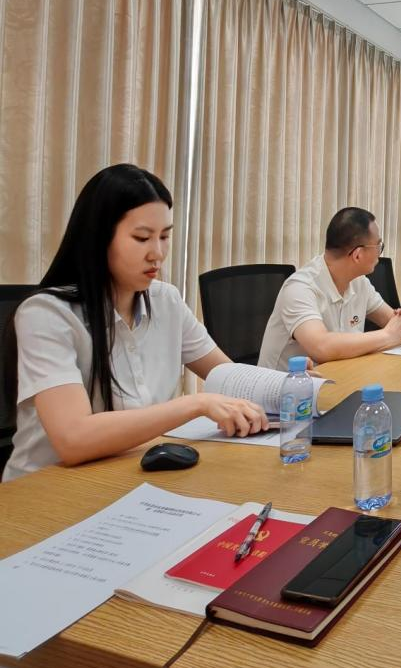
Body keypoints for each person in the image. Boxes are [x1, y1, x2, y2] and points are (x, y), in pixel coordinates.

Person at [1, 165, 267, 481]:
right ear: (99, 239)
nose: (158, 253)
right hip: (45, 489)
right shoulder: (47, 315)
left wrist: (294, 384)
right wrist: (195, 404)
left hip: (130, 476)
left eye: (164, 236)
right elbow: (73, 439)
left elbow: (227, 376)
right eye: (142, 238)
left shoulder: (166, 300)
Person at [257, 208, 401, 369]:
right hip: (289, 383)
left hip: (337, 374)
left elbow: (391, 320)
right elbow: (321, 347)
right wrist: (387, 335)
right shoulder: (300, 288)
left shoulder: (359, 282)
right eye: (378, 245)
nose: (379, 252)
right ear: (357, 255)